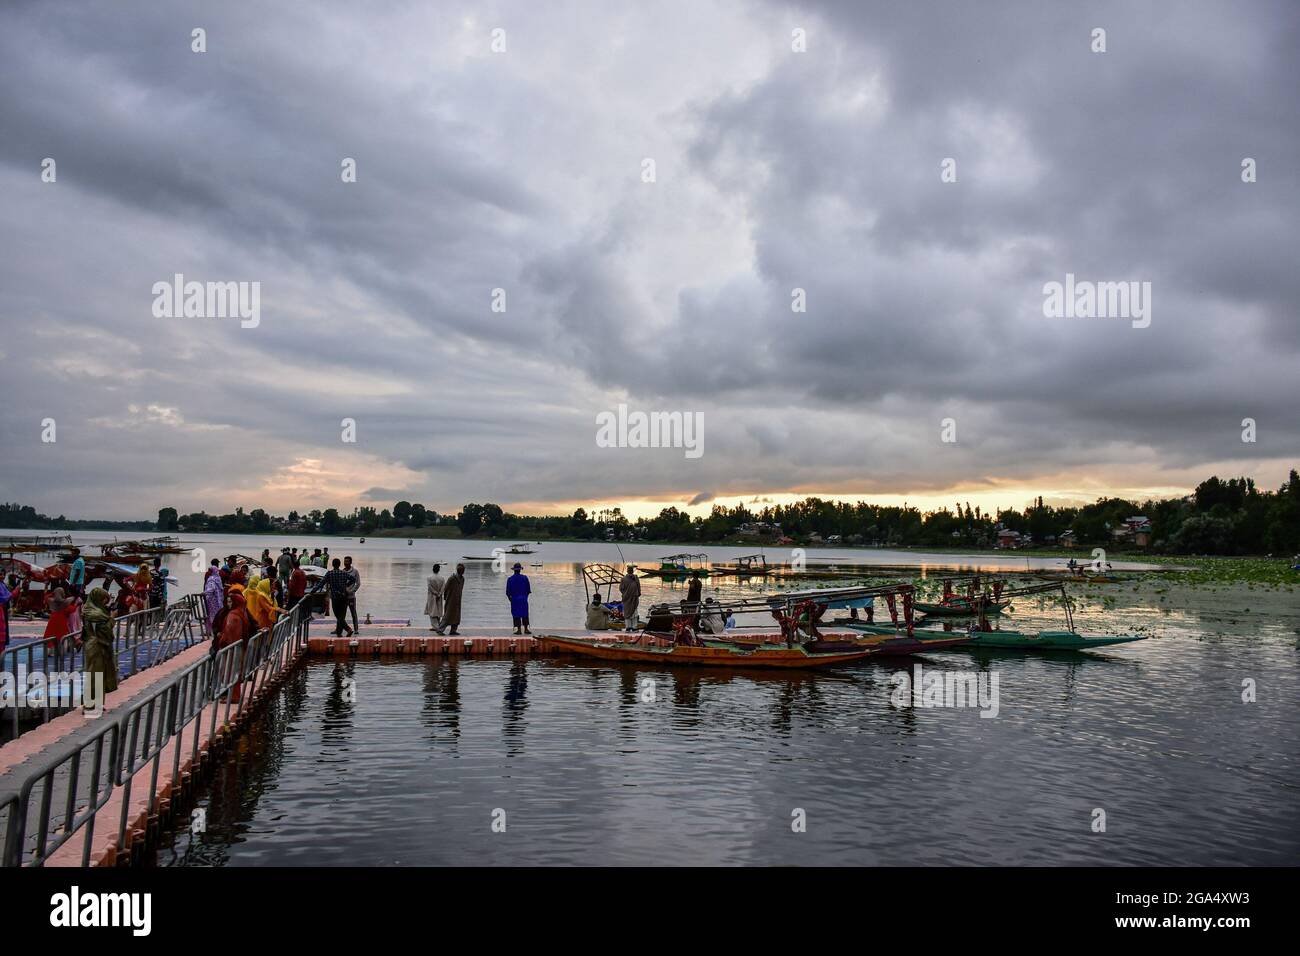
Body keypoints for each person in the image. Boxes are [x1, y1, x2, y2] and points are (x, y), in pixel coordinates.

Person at [79, 587, 119, 695]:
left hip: (96, 646)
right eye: (103, 600)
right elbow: (105, 629)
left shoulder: (90, 609)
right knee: (95, 676)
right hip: (97, 647)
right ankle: (91, 706)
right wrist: (112, 618)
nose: (104, 603)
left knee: (99, 676)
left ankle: (97, 704)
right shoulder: (95, 614)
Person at [323, 558, 354, 637]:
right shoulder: (343, 573)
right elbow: (353, 579)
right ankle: (339, 633)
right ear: (339, 564)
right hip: (344, 597)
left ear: (333, 565)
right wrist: (346, 585)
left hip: (335, 598)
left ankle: (348, 629)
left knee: (338, 616)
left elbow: (321, 583)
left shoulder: (329, 573)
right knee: (341, 616)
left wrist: (314, 590)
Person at [506, 563, 531, 634]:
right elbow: (528, 590)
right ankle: (526, 629)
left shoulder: (510, 579)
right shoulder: (525, 578)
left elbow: (508, 592)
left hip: (515, 599)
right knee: (525, 613)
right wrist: (525, 598)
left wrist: (510, 600)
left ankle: (519, 630)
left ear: (514, 570)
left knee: (516, 614)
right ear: (520, 570)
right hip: (523, 598)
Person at [441, 563, 465, 635]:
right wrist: (446, 597)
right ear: (459, 571)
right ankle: (440, 629)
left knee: (457, 616)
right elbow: (445, 588)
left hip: (458, 600)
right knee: (448, 615)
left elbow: (461, 589)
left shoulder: (462, 579)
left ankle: (453, 630)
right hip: (451, 600)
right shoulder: (452, 578)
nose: (463, 571)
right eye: (462, 570)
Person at [424, 563, 445, 631]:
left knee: (432, 611)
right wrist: (439, 594)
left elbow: (430, 587)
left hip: (432, 596)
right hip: (439, 596)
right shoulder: (442, 578)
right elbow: (443, 587)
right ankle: (437, 625)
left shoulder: (429, 578)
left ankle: (436, 627)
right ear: (439, 570)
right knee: (438, 611)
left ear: (433, 569)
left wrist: (435, 593)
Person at [203, 562, 224, 632]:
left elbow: (211, 589)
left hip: (212, 600)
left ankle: (211, 629)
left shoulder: (211, 579)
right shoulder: (218, 578)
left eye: (210, 571)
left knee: (211, 614)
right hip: (218, 600)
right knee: (217, 614)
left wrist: (204, 593)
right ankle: (218, 628)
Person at [619, 566, 641, 631]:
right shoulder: (635, 578)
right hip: (633, 598)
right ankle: (634, 627)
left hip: (628, 598)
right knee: (634, 612)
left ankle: (628, 627)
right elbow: (639, 589)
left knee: (627, 612)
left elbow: (621, 589)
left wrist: (625, 593)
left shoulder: (624, 579)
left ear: (627, 571)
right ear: (632, 571)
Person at [343, 555, 360, 632]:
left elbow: (358, 583)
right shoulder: (342, 572)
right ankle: (339, 629)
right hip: (343, 596)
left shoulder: (355, 571)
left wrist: (352, 590)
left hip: (351, 597)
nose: (345, 563)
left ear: (350, 562)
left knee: (353, 613)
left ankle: (356, 629)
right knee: (341, 614)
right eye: (344, 561)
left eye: (347, 561)